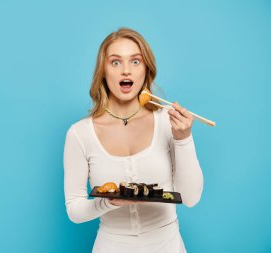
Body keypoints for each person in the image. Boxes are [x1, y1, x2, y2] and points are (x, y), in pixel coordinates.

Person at [63, 27, 203, 253]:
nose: (126, 71)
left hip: (167, 246)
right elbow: (74, 210)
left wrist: (183, 139)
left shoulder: (169, 123)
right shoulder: (79, 133)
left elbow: (190, 198)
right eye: (115, 62)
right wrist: (109, 202)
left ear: (146, 69)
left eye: (135, 61)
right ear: (103, 71)